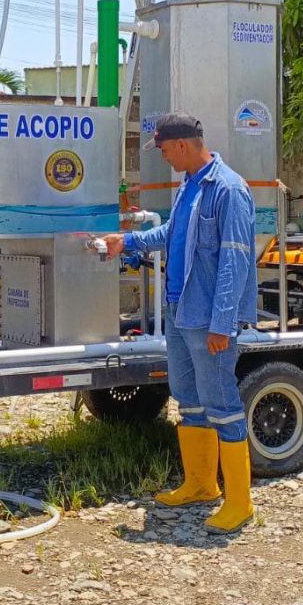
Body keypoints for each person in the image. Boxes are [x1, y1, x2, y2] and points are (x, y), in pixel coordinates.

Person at [101, 112, 258, 535]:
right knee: (188, 399)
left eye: (166, 149)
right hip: (181, 314)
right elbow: (172, 234)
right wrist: (128, 241)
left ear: (184, 145)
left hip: (209, 319)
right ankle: (202, 484)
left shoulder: (228, 189)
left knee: (222, 404)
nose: (164, 157)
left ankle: (240, 502)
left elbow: (235, 260)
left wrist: (223, 324)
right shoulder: (189, 186)